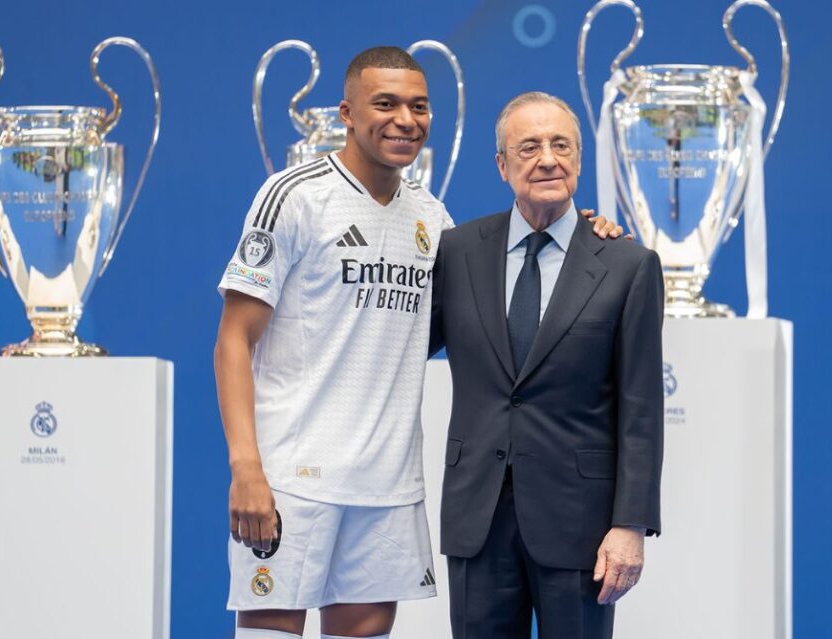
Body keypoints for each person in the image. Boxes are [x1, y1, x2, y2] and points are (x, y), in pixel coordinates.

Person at [214, 48, 623, 638]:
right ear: (347, 112)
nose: (405, 119)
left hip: (387, 485)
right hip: (292, 480)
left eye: (418, 106)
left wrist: (583, 236)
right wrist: (246, 467)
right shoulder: (294, 196)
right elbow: (233, 339)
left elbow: (489, 301)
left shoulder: (434, 220)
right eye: (385, 103)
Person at [429, 91, 665, 639]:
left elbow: (641, 409)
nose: (547, 159)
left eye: (561, 145)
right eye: (529, 146)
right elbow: (400, 344)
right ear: (502, 164)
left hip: (580, 524)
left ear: (580, 160)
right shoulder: (457, 252)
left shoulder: (627, 265)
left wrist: (629, 524)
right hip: (477, 520)